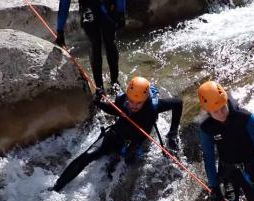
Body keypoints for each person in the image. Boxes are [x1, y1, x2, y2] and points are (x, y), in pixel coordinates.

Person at [50, 76, 182, 192]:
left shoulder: (154, 106)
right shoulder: (124, 99)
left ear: (146, 98)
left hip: (136, 141)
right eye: (131, 101)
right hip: (116, 134)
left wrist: (173, 132)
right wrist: (98, 102)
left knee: (124, 166)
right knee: (87, 156)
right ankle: (56, 187)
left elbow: (178, 103)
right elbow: (114, 110)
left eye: (138, 103)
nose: (134, 106)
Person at [54, 0, 126, 90]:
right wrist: (60, 30)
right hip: (87, 5)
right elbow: (64, 2)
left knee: (110, 41)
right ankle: (99, 87)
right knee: (95, 43)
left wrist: (121, 12)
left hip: (107, 3)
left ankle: (115, 82)